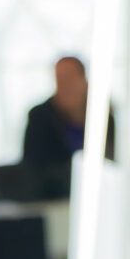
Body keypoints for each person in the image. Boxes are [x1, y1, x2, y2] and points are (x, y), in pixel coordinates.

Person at [20, 55, 114, 196]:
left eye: (69, 78)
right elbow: (32, 166)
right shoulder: (39, 116)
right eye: (59, 79)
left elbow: (110, 163)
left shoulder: (103, 116)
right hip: (51, 198)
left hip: (97, 195)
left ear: (84, 80)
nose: (64, 85)